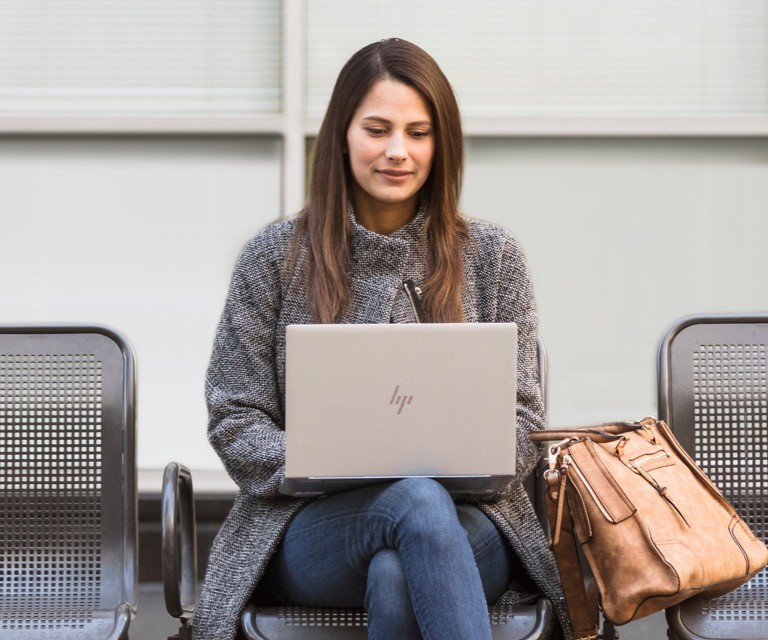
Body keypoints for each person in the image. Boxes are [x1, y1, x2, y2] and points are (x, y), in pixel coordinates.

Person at [192, 38, 569, 640]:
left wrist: (467, 459)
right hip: (315, 530)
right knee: (413, 502)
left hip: (472, 523)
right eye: (378, 129)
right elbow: (235, 417)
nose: (398, 151)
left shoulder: (492, 257)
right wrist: (323, 460)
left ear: (442, 145)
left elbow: (522, 422)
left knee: (403, 563)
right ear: (342, 134)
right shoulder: (275, 258)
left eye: (419, 133)